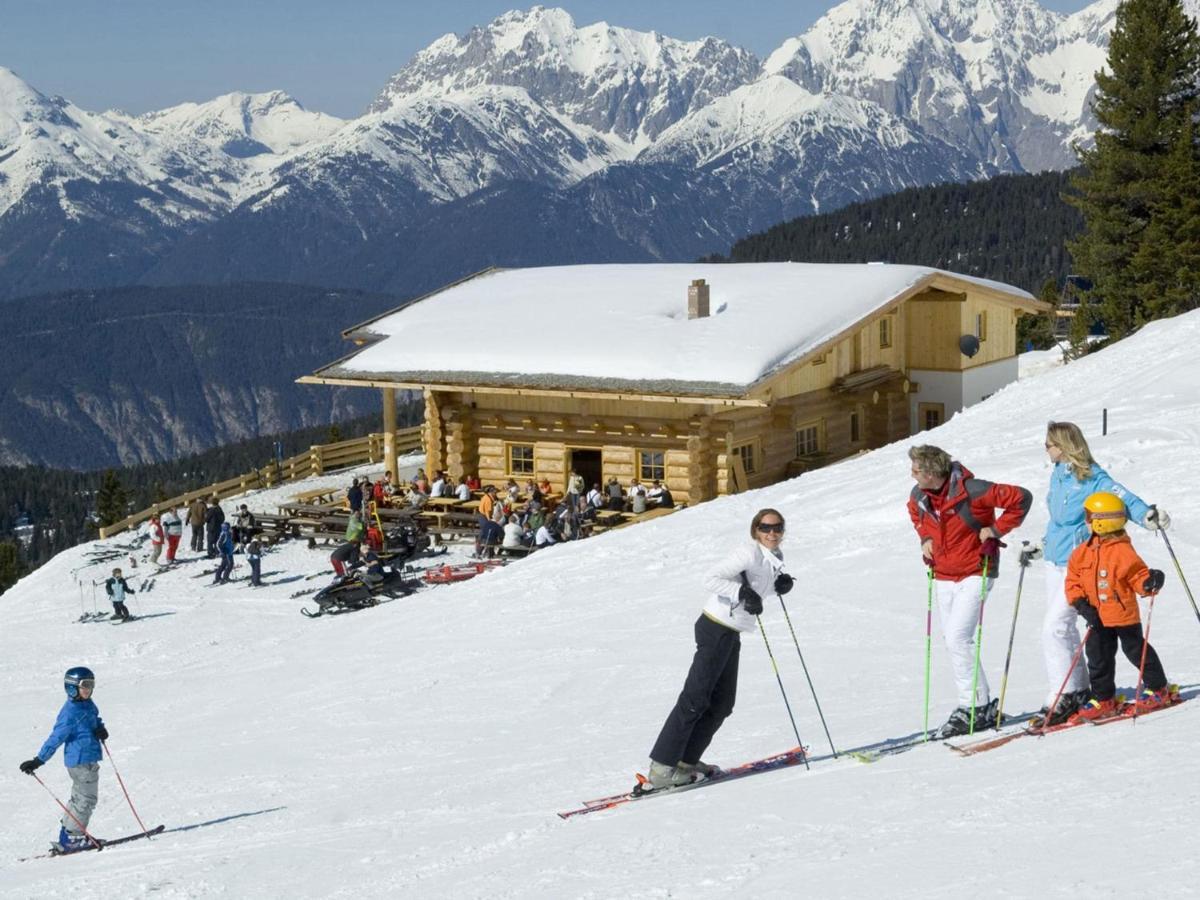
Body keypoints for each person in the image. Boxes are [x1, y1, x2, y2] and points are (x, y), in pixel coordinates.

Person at [1021, 422, 1171, 725]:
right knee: (1065, 630)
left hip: (1081, 564)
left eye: (1050, 443)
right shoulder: (1058, 475)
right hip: (1056, 560)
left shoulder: (1091, 476)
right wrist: (1043, 545)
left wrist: (1146, 515)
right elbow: (1060, 522)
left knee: (1054, 628)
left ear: (1065, 445)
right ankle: (1079, 689)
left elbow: (1124, 498)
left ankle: (1062, 694)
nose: (1046, 448)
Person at [645, 508, 795, 788]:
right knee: (695, 698)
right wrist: (741, 593)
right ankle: (662, 769)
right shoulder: (748, 553)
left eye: (777, 528)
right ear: (755, 531)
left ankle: (686, 761)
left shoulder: (774, 557)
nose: (771, 533)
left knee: (723, 704)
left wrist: (779, 586)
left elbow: (759, 586)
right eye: (765, 528)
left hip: (731, 632)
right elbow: (711, 578)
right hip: (714, 627)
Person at [907, 445, 1032, 737]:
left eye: (916, 470)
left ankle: (973, 706)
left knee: (957, 637)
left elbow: (1021, 498)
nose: (912, 475)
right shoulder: (919, 495)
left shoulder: (974, 490)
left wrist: (997, 530)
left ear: (931, 472)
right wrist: (925, 537)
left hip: (976, 570)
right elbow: (916, 514)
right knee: (954, 640)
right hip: (943, 574)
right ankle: (979, 703)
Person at [1063, 492, 1176, 722]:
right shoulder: (1081, 552)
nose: (1085, 520)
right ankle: (1103, 698)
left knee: (1135, 650)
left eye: (1088, 516)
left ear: (1101, 520)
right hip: (1096, 616)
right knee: (1097, 654)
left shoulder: (1122, 551)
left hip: (1123, 614)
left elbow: (1137, 576)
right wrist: (1081, 605)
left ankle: (1158, 688)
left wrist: (1149, 582)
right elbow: (1072, 581)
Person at [19, 666, 108, 853]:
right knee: (87, 799)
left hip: (88, 758)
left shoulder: (88, 704)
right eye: (84, 686)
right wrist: (39, 760)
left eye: (91, 685)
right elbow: (56, 738)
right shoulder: (70, 712)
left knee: (79, 798)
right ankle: (74, 838)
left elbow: (95, 719)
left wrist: (100, 729)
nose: (88, 689)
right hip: (80, 760)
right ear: (72, 687)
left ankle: (67, 833)